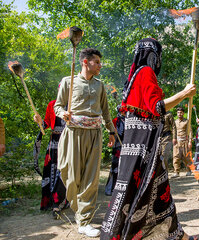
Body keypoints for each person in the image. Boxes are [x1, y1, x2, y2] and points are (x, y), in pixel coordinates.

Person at [100, 38, 197, 240]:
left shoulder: (134, 76)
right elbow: (158, 108)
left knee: (150, 189)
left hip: (134, 145)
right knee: (149, 189)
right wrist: (183, 94)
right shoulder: (146, 72)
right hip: (145, 146)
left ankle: (177, 234)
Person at [54, 48, 116, 237]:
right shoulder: (68, 82)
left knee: (91, 179)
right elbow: (57, 105)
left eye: (100, 62)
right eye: (96, 62)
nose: (100, 65)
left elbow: (105, 111)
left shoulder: (100, 85)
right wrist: (62, 113)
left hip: (95, 134)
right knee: (71, 177)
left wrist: (111, 131)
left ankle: (84, 220)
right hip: (73, 133)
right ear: (85, 62)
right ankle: (78, 210)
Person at [33, 100, 68, 218]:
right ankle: (54, 202)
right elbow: (47, 123)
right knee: (52, 170)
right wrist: (40, 121)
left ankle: (62, 201)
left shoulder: (75, 102)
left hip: (69, 142)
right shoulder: (52, 104)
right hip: (55, 142)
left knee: (65, 171)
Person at [105, 108, 125, 196]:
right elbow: (110, 133)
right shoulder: (115, 121)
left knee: (124, 168)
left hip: (126, 147)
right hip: (117, 147)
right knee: (115, 168)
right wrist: (112, 131)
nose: (124, 112)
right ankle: (111, 188)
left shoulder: (129, 119)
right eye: (122, 111)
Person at [171, 107, 193, 178]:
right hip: (177, 142)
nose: (179, 114)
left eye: (181, 112)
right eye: (178, 112)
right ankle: (176, 172)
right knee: (176, 157)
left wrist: (190, 141)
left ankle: (188, 170)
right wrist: (173, 138)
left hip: (185, 141)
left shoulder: (186, 121)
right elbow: (173, 131)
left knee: (186, 157)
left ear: (183, 113)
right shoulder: (175, 122)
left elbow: (190, 131)